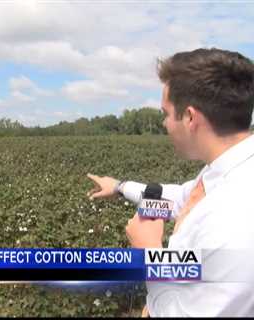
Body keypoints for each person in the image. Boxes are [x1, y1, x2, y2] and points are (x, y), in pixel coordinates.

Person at [87, 48, 254, 317]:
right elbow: (180, 198)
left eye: (165, 113)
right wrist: (119, 186)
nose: (164, 123)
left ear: (189, 117)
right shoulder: (227, 169)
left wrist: (149, 253)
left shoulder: (236, 214)